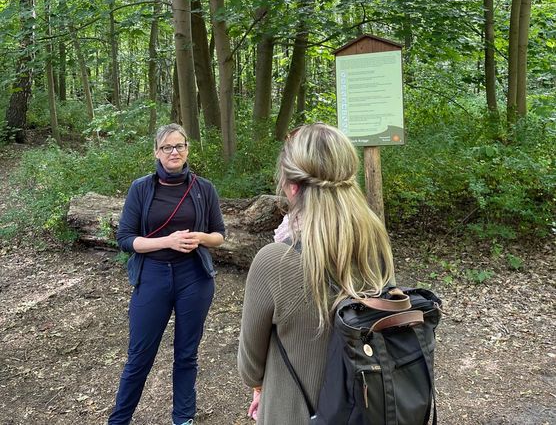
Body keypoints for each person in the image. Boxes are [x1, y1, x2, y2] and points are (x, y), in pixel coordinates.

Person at [237, 123, 395, 424]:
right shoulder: (376, 246)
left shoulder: (274, 261)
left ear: (292, 186)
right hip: (364, 409)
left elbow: (249, 367)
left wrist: (260, 387)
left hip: (294, 413)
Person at [108, 123, 225, 425]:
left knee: (186, 354)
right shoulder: (141, 188)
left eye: (180, 146)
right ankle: (119, 420)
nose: (174, 152)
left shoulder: (204, 188)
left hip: (194, 278)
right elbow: (125, 238)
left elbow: (219, 236)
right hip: (153, 277)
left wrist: (200, 237)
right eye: (167, 147)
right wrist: (167, 242)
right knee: (139, 356)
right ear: (156, 152)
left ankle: (183, 419)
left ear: (187, 149)